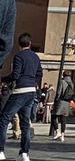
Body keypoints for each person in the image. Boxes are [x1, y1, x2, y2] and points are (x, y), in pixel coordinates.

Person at [0, 32, 43, 161]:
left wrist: (4, 79)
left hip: (20, 91)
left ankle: (1, 150)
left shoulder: (18, 56)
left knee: (4, 119)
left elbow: (15, 75)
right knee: (25, 123)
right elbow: (39, 73)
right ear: (29, 43)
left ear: (19, 45)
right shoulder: (35, 57)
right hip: (31, 91)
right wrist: (32, 81)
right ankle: (24, 153)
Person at [50, 72, 73, 142]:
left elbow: (59, 92)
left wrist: (55, 101)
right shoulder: (71, 83)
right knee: (63, 118)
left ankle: (57, 132)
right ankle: (62, 135)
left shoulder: (62, 81)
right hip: (67, 102)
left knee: (53, 116)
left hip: (60, 101)